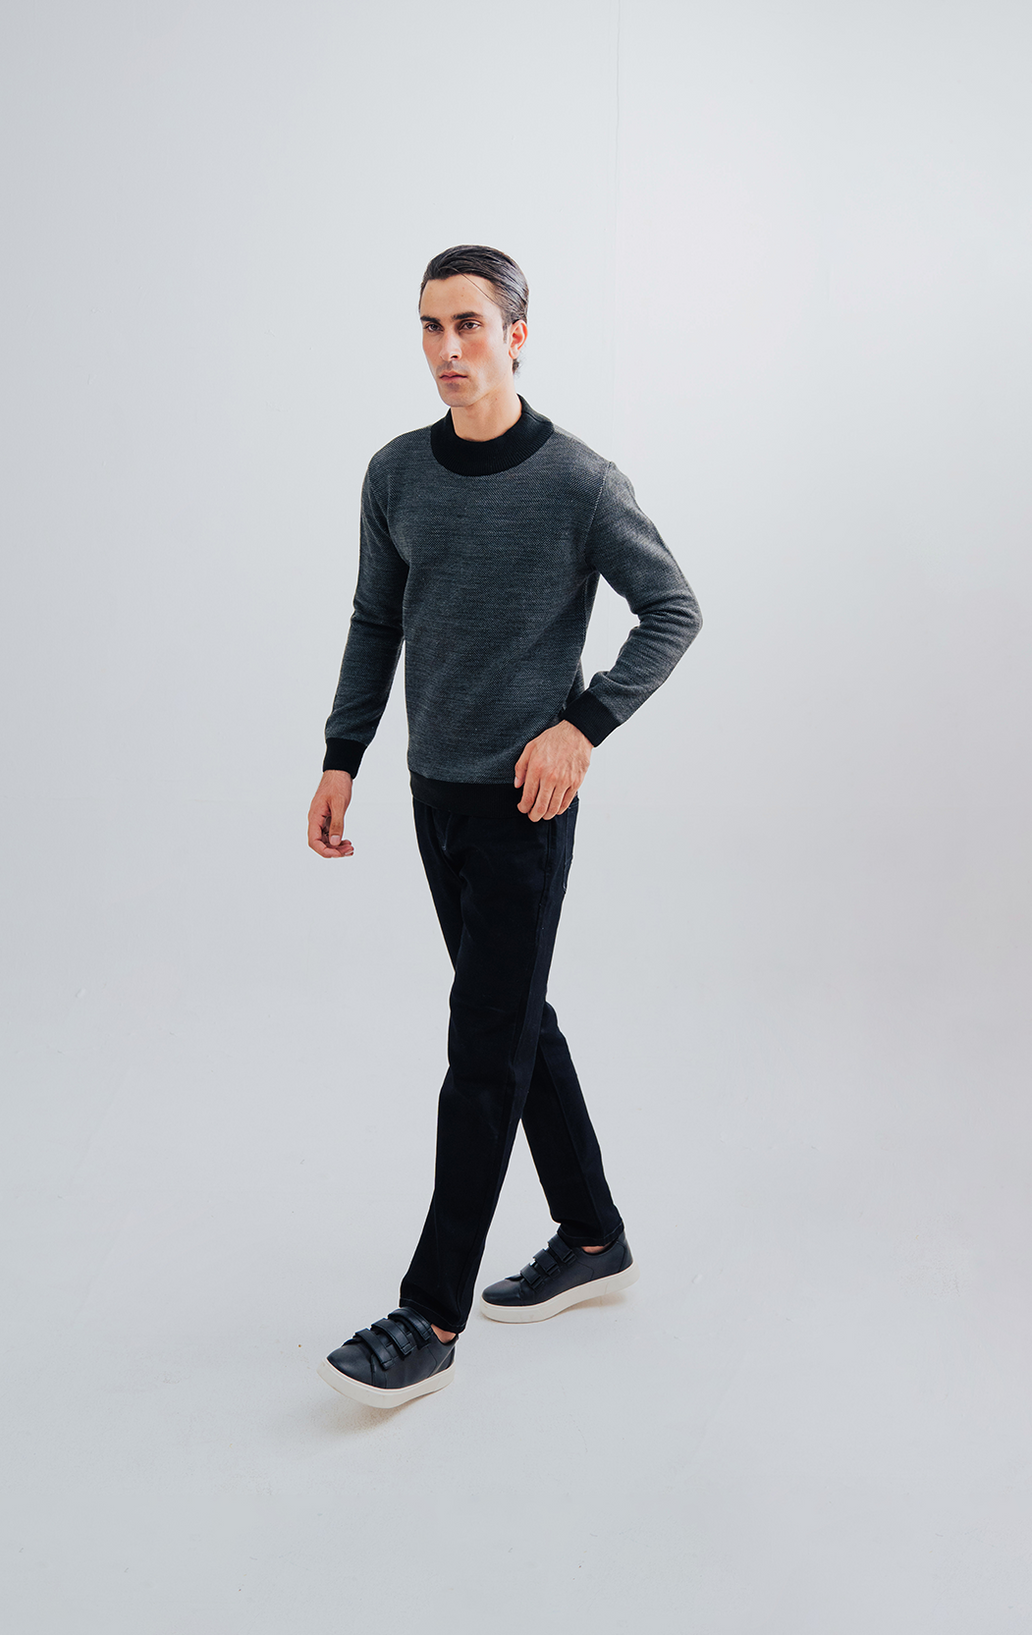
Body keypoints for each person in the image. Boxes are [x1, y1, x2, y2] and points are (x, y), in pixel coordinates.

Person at [308, 244, 702, 1407]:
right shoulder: (395, 473)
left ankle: (429, 1314)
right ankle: (592, 1235)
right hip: (432, 793)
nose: (448, 349)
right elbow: (375, 621)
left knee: (483, 1051)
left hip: (526, 808)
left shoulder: (578, 482)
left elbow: (671, 609)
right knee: (515, 1019)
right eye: (430, 327)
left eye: (469, 325)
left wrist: (582, 727)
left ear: (517, 335)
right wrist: (342, 755)